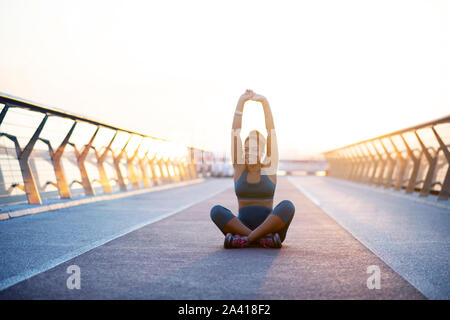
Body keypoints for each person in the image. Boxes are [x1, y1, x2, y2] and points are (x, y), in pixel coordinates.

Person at [210, 89, 295, 248]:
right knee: (216, 211)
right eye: (246, 149)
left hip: (271, 227)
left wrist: (264, 102)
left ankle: (247, 240)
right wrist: (241, 101)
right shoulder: (240, 168)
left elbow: (271, 132)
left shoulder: (269, 168)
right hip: (244, 227)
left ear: (263, 152)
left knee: (288, 206)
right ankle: (260, 239)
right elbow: (235, 132)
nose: (249, 152)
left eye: (254, 149)